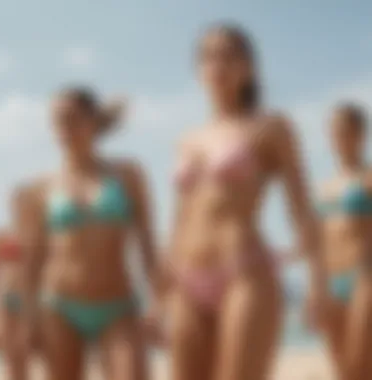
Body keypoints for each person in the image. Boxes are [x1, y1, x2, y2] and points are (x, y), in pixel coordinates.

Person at [163, 23, 326, 380]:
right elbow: (179, 218)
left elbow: (301, 210)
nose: (218, 63)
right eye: (208, 56)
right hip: (187, 277)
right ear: (198, 69)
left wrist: (317, 284)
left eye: (229, 55)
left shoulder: (271, 127)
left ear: (249, 67)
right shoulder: (188, 139)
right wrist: (161, 290)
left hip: (244, 271)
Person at [13, 87, 158, 380]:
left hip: (119, 304)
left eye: (72, 118)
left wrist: (158, 302)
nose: (64, 128)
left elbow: (147, 244)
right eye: (57, 121)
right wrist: (27, 318)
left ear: (94, 120)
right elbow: (33, 258)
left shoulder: (127, 174)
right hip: (59, 305)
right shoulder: (41, 187)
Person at [317, 103, 372, 379]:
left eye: (346, 131)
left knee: (361, 363)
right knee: (343, 370)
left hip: (364, 277)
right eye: (334, 132)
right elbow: (318, 240)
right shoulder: (326, 186)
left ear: (361, 134)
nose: (339, 138)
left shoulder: (369, 177)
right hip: (331, 282)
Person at [0, 228, 28, 380]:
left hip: (17, 294)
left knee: (18, 346)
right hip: (7, 294)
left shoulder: (13, 238)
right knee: (11, 348)